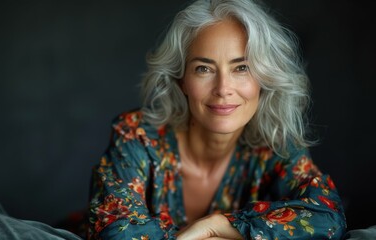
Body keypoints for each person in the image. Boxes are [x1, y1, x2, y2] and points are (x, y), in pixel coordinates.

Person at [87, 0, 347, 239]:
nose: (223, 88)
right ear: (182, 80)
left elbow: (328, 219)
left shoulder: (276, 145)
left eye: (241, 68)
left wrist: (220, 225)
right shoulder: (137, 135)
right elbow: (115, 231)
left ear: (265, 79)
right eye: (204, 69)